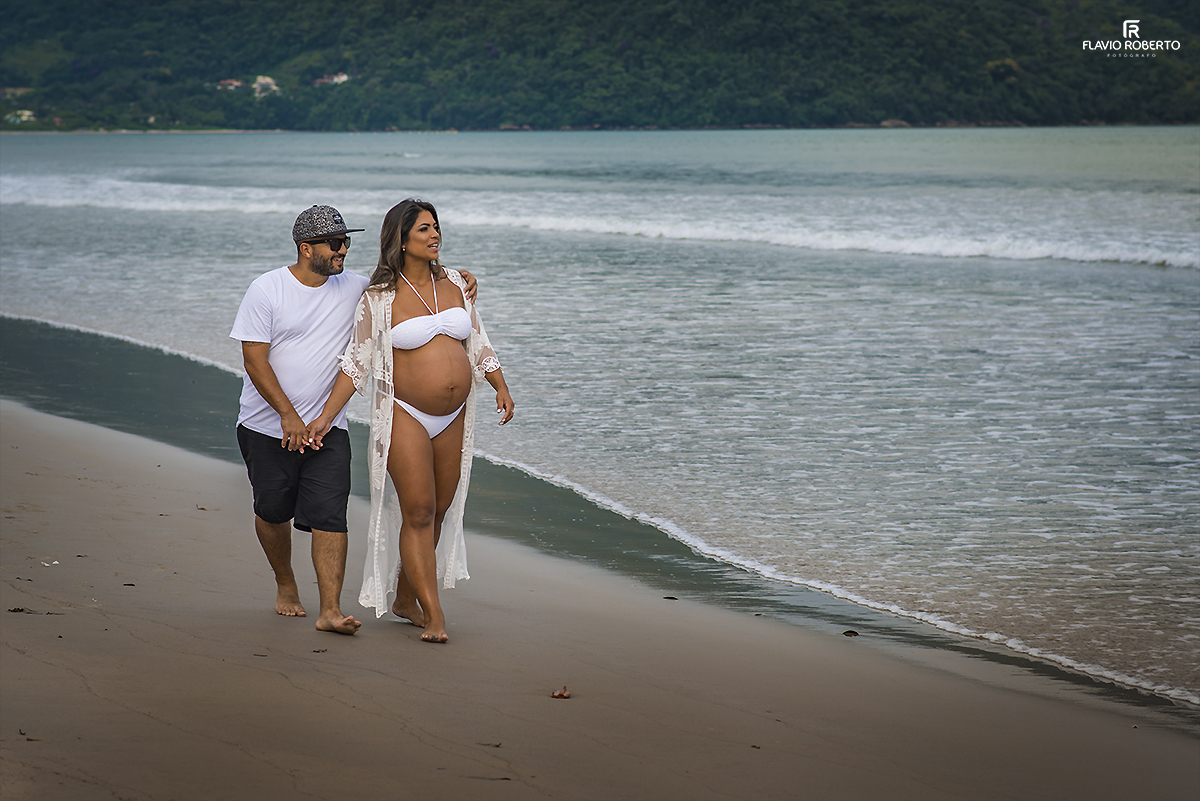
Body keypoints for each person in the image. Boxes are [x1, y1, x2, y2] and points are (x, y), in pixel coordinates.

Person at [229, 204, 478, 635]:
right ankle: (286, 582)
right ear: (307, 249)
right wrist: (287, 415)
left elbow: (406, 286)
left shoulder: (360, 290)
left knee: (329, 515)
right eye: (335, 243)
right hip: (267, 426)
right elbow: (254, 358)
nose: (344, 249)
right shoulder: (267, 290)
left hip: (329, 428)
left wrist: (460, 275)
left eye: (347, 241)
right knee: (272, 511)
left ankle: (330, 609)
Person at [309, 198, 513, 643]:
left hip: (455, 415)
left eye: (436, 227)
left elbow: (476, 338)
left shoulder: (458, 282)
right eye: (423, 229)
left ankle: (405, 597)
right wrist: (325, 416)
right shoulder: (379, 297)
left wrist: (499, 383)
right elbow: (357, 362)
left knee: (438, 510)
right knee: (417, 510)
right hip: (406, 414)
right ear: (400, 240)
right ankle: (433, 612)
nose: (434, 234)